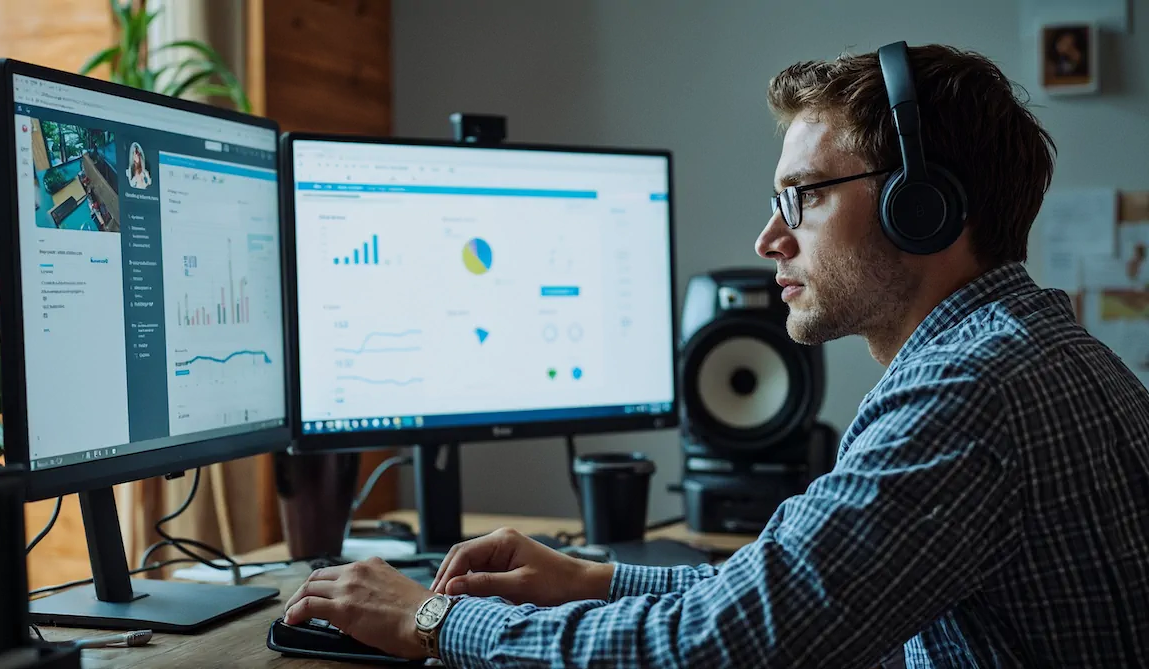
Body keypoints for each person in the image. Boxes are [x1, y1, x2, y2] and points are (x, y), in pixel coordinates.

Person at [281, 43, 1149, 667]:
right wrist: (592, 578)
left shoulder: (968, 391)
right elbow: (800, 597)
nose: (769, 236)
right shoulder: (1035, 348)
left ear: (921, 207)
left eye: (801, 197)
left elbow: (722, 646)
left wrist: (432, 621)